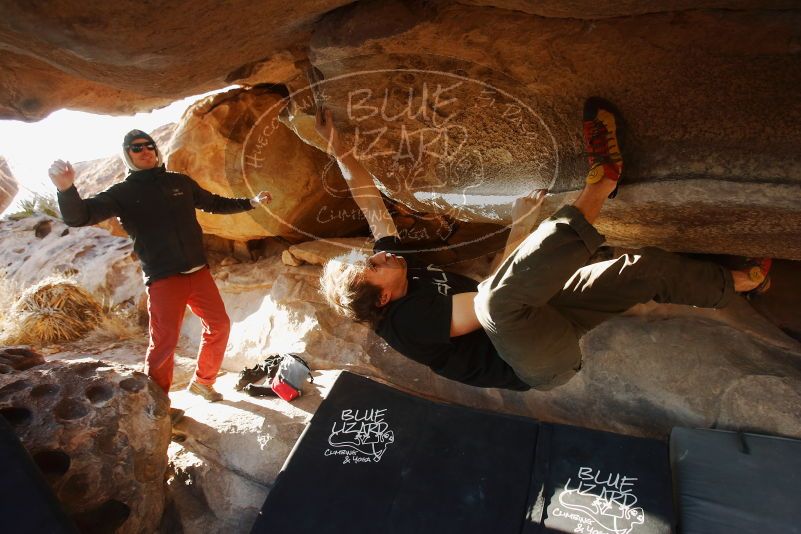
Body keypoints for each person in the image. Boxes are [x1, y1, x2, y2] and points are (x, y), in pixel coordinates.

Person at [317, 100, 767, 391]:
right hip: (535, 362)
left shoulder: (399, 267)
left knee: (639, 269)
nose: (380, 253)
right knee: (496, 304)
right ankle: (602, 184)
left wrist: (339, 151)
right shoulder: (405, 323)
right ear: (383, 296)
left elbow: (371, 204)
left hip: (541, 313)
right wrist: (521, 225)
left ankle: (744, 282)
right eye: (374, 265)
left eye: (372, 254)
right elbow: (494, 298)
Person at [49, 129, 272, 413]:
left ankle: (203, 383)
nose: (145, 151)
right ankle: (158, 407)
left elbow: (213, 203)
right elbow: (79, 216)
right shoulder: (122, 193)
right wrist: (66, 189)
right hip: (164, 279)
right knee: (164, 345)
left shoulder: (178, 182)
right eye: (136, 148)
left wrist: (249, 202)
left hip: (198, 273)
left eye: (149, 146)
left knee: (219, 326)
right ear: (127, 155)